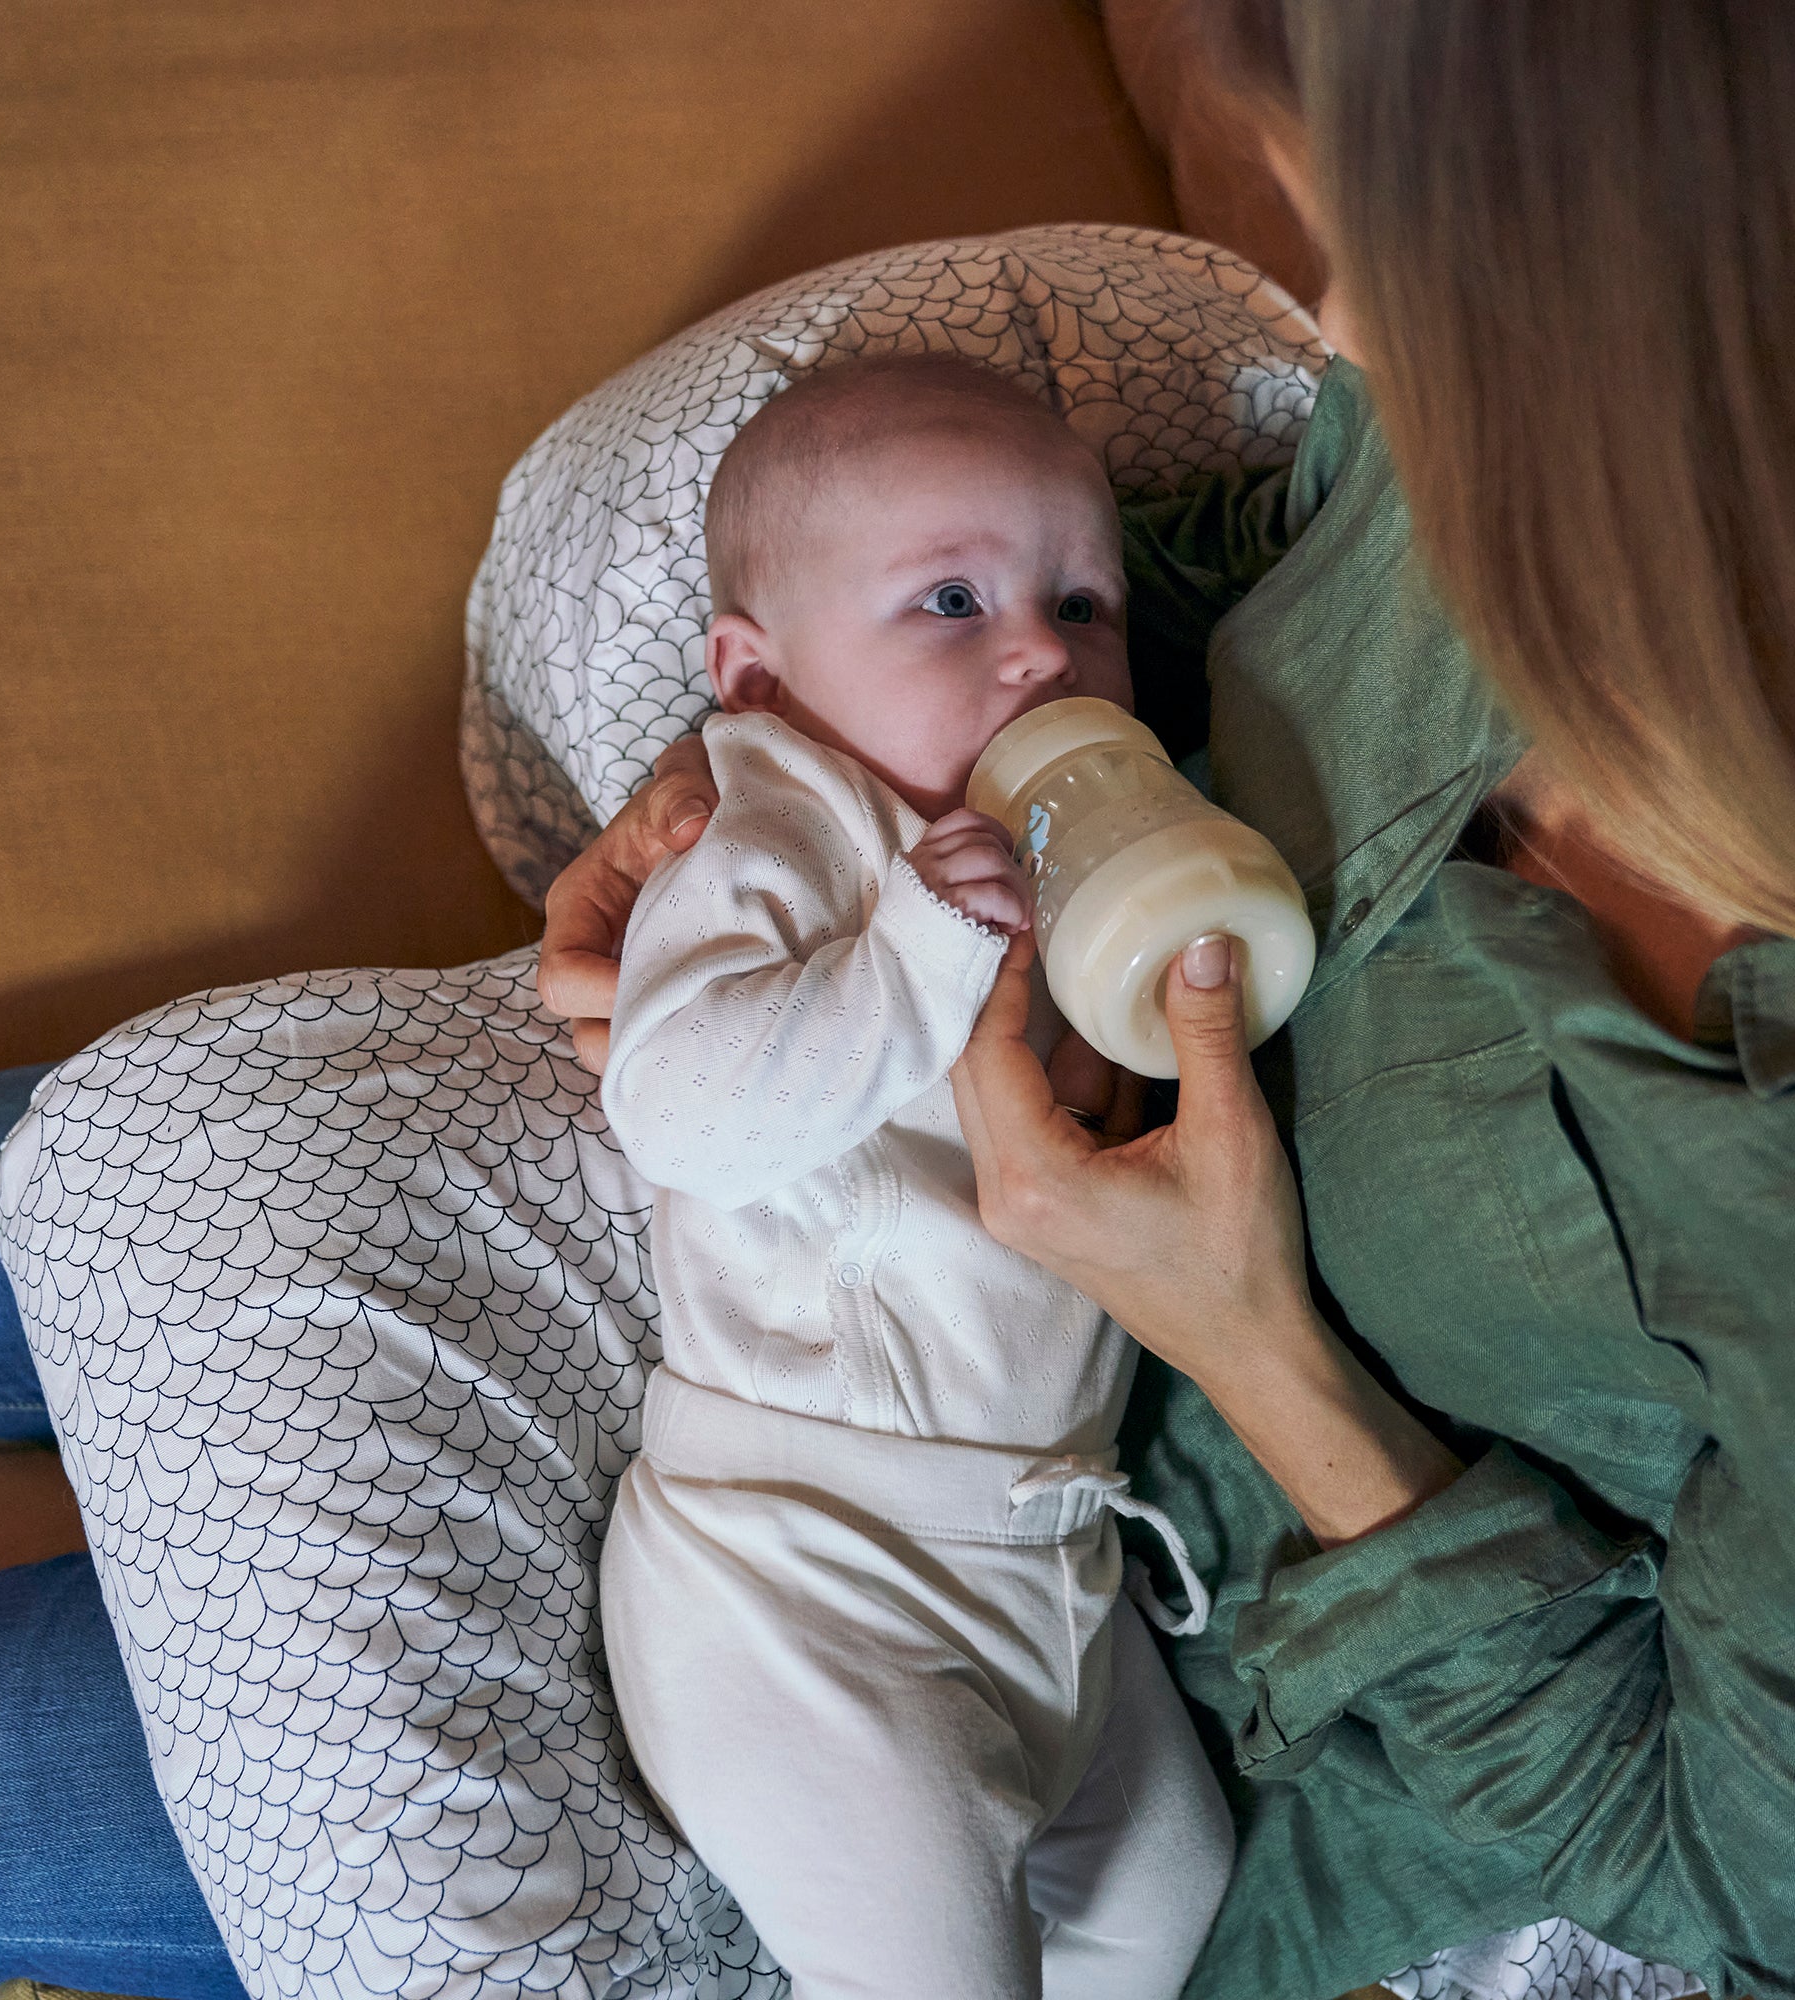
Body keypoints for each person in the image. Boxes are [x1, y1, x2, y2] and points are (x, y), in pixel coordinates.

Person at [0, 4, 1795, 1997]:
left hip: (1061, 1617)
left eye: (1378, 232)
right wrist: (789, 771)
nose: (1337, 285)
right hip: (777, 1198)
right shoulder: (1564, 467)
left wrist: (1266, 1358)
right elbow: (1195, 598)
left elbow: (1659, 1873)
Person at [594, 352, 1231, 1998]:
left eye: (1084, 602)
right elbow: (679, 1107)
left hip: (1052, 1553)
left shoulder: (1084, 843)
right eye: (951, 599)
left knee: (1173, 1895)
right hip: (804, 1581)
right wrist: (916, 947)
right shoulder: (776, 842)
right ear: (757, 680)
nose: (1042, 647)